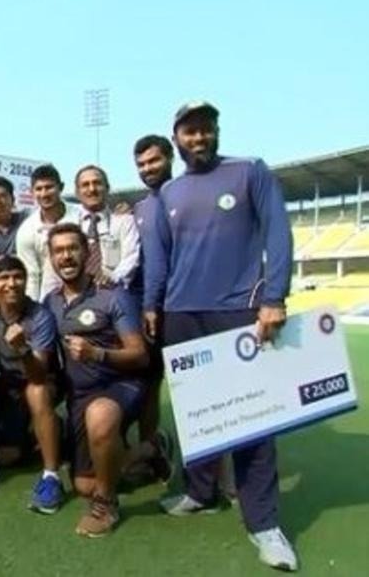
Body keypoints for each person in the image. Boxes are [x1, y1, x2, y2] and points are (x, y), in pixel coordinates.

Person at [144, 101, 297, 571]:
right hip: (181, 314)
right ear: (177, 138)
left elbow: (278, 234)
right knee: (197, 413)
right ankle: (200, 492)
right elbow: (159, 257)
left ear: (216, 131)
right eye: (189, 131)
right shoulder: (168, 193)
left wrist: (274, 297)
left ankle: (264, 524)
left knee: (253, 418)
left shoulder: (249, 171)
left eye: (205, 129)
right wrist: (151, 304)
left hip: (239, 310)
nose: (199, 138)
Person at [44, 223, 149, 537]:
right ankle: (149, 450)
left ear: (87, 252)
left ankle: (106, 504)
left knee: (100, 415)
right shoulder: (50, 302)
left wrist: (97, 354)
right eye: (58, 251)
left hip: (121, 385)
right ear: (51, 258)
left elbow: (140, 355)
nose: (66, 256)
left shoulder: (112, 296)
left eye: (72, 248)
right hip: (80, 395)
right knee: (83, 485)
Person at [121, 134, 176, 487]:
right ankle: (150, 448)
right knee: (149, 380)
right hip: (147, 307)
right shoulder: (138, 209)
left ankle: (215, 471)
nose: (147, 168)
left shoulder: (186, 195)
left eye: (154, 160)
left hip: (181, 305)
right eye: (141, 164)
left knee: (191, 382)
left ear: (170, 157)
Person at [0, 256, 62, 512]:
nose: (11, 283)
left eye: (18, 277)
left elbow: (39, 375)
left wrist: (22, 349)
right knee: (5, 456)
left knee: (36, 391)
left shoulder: (40, 316)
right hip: (7, 388)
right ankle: (41, 437)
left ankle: (51, 476)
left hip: (41, 382)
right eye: (4, 278)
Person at [15, 164, 79, 301]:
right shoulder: (27, 230)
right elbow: (31, 276)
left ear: (61, 187)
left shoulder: (82, 215)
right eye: (39, 189)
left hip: (87, 290)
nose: (44, 194)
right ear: (32, 192)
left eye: (49, 187)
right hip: (51, 297)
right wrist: (32, 309)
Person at [69, 165, 140, 290]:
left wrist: (112, 277)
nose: (92, 189)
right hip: (78, 293)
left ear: (107, 188)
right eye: (85, 185)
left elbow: (131, 258)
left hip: (114, 292)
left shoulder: (124, 223)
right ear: (77, 192)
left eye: (97, 183)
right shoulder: (69, 225)